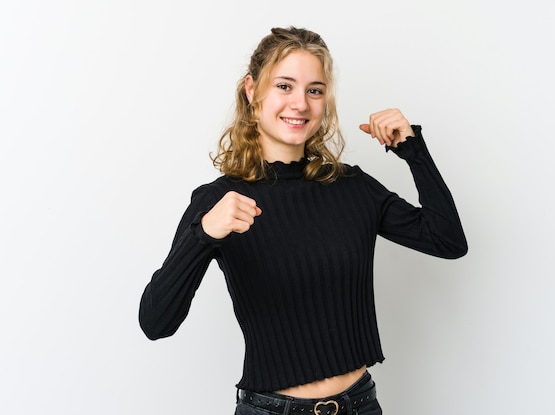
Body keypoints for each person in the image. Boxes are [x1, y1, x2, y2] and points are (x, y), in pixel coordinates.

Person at [139, 26, 467, 415]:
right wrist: (204, 234)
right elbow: (156, 322)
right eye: (284, 86)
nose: (300, 104)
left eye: (314, 90)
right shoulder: (218, 202)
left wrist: (413, 150)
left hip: (360, 405)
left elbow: (448, 241)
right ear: (252, 90)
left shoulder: (352, 187)